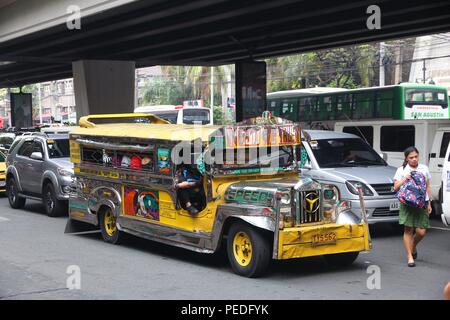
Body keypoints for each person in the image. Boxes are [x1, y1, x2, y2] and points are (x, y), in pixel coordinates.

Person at [393, 146, 432, 267]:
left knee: (421, 232)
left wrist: (429, 202)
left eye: (416, 156)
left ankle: (413, 246)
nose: (414, 159)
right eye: (411, 157)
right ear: (406, 158)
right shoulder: (401, 170)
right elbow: (395, 187)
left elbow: (428, 186)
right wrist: (405, 178)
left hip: (422, 203)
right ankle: (410, 256)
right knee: (408, 229)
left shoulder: (424, 168)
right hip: (407, 203)